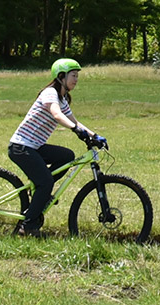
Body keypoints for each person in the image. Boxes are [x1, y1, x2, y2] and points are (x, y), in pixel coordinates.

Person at [8, 58, 102, 237]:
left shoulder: (63, 98)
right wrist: (75, 130)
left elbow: (75, 121)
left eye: (77, 76)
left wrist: (94, 136)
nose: (76, 80)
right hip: (21, 147)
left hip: (34, 146)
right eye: (73, 76)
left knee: (66, 156)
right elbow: (57, 115)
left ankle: (38, 193)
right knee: (46, 183)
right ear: (61, 77)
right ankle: (27, 227)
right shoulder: (50, 93)